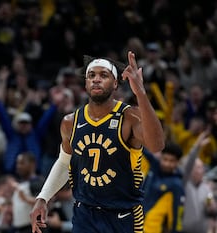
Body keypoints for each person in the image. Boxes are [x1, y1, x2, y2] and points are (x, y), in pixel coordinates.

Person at [29, 51, 165, 233]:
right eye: (91, 75)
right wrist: (43, 197)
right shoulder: (71, 121)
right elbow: (64, 162)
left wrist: (140, 92)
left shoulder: (130, 116)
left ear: (115, 83)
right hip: (85, 214)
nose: (96, 79)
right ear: (85, 84)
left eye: (104, 75)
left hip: (123, 216)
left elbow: (157, 145)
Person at [142, 143, 185, 233]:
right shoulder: (153, 165)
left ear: (178, 162)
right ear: (161, 157)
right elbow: (138, 148)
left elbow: (177, 218)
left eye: (171, 161)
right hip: (133, 225)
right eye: (165, 159)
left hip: (151, 230)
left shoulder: (176, 185)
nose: (167, 164)